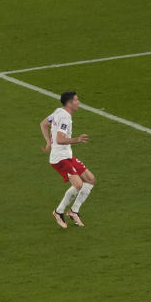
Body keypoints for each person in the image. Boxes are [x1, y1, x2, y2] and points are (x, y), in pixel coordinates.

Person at [40, 92, 95, 228]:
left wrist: (48, 143)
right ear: (69, 103)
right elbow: (60, 139)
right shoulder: (65, 118)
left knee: (90, 179)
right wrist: (77, 139)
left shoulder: (58, 111)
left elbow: (43, 124)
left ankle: (74, 211)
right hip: (60, 158)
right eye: (76, 100)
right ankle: (58, 212)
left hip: (68, 155)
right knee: (78, 184)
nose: (79, 102)